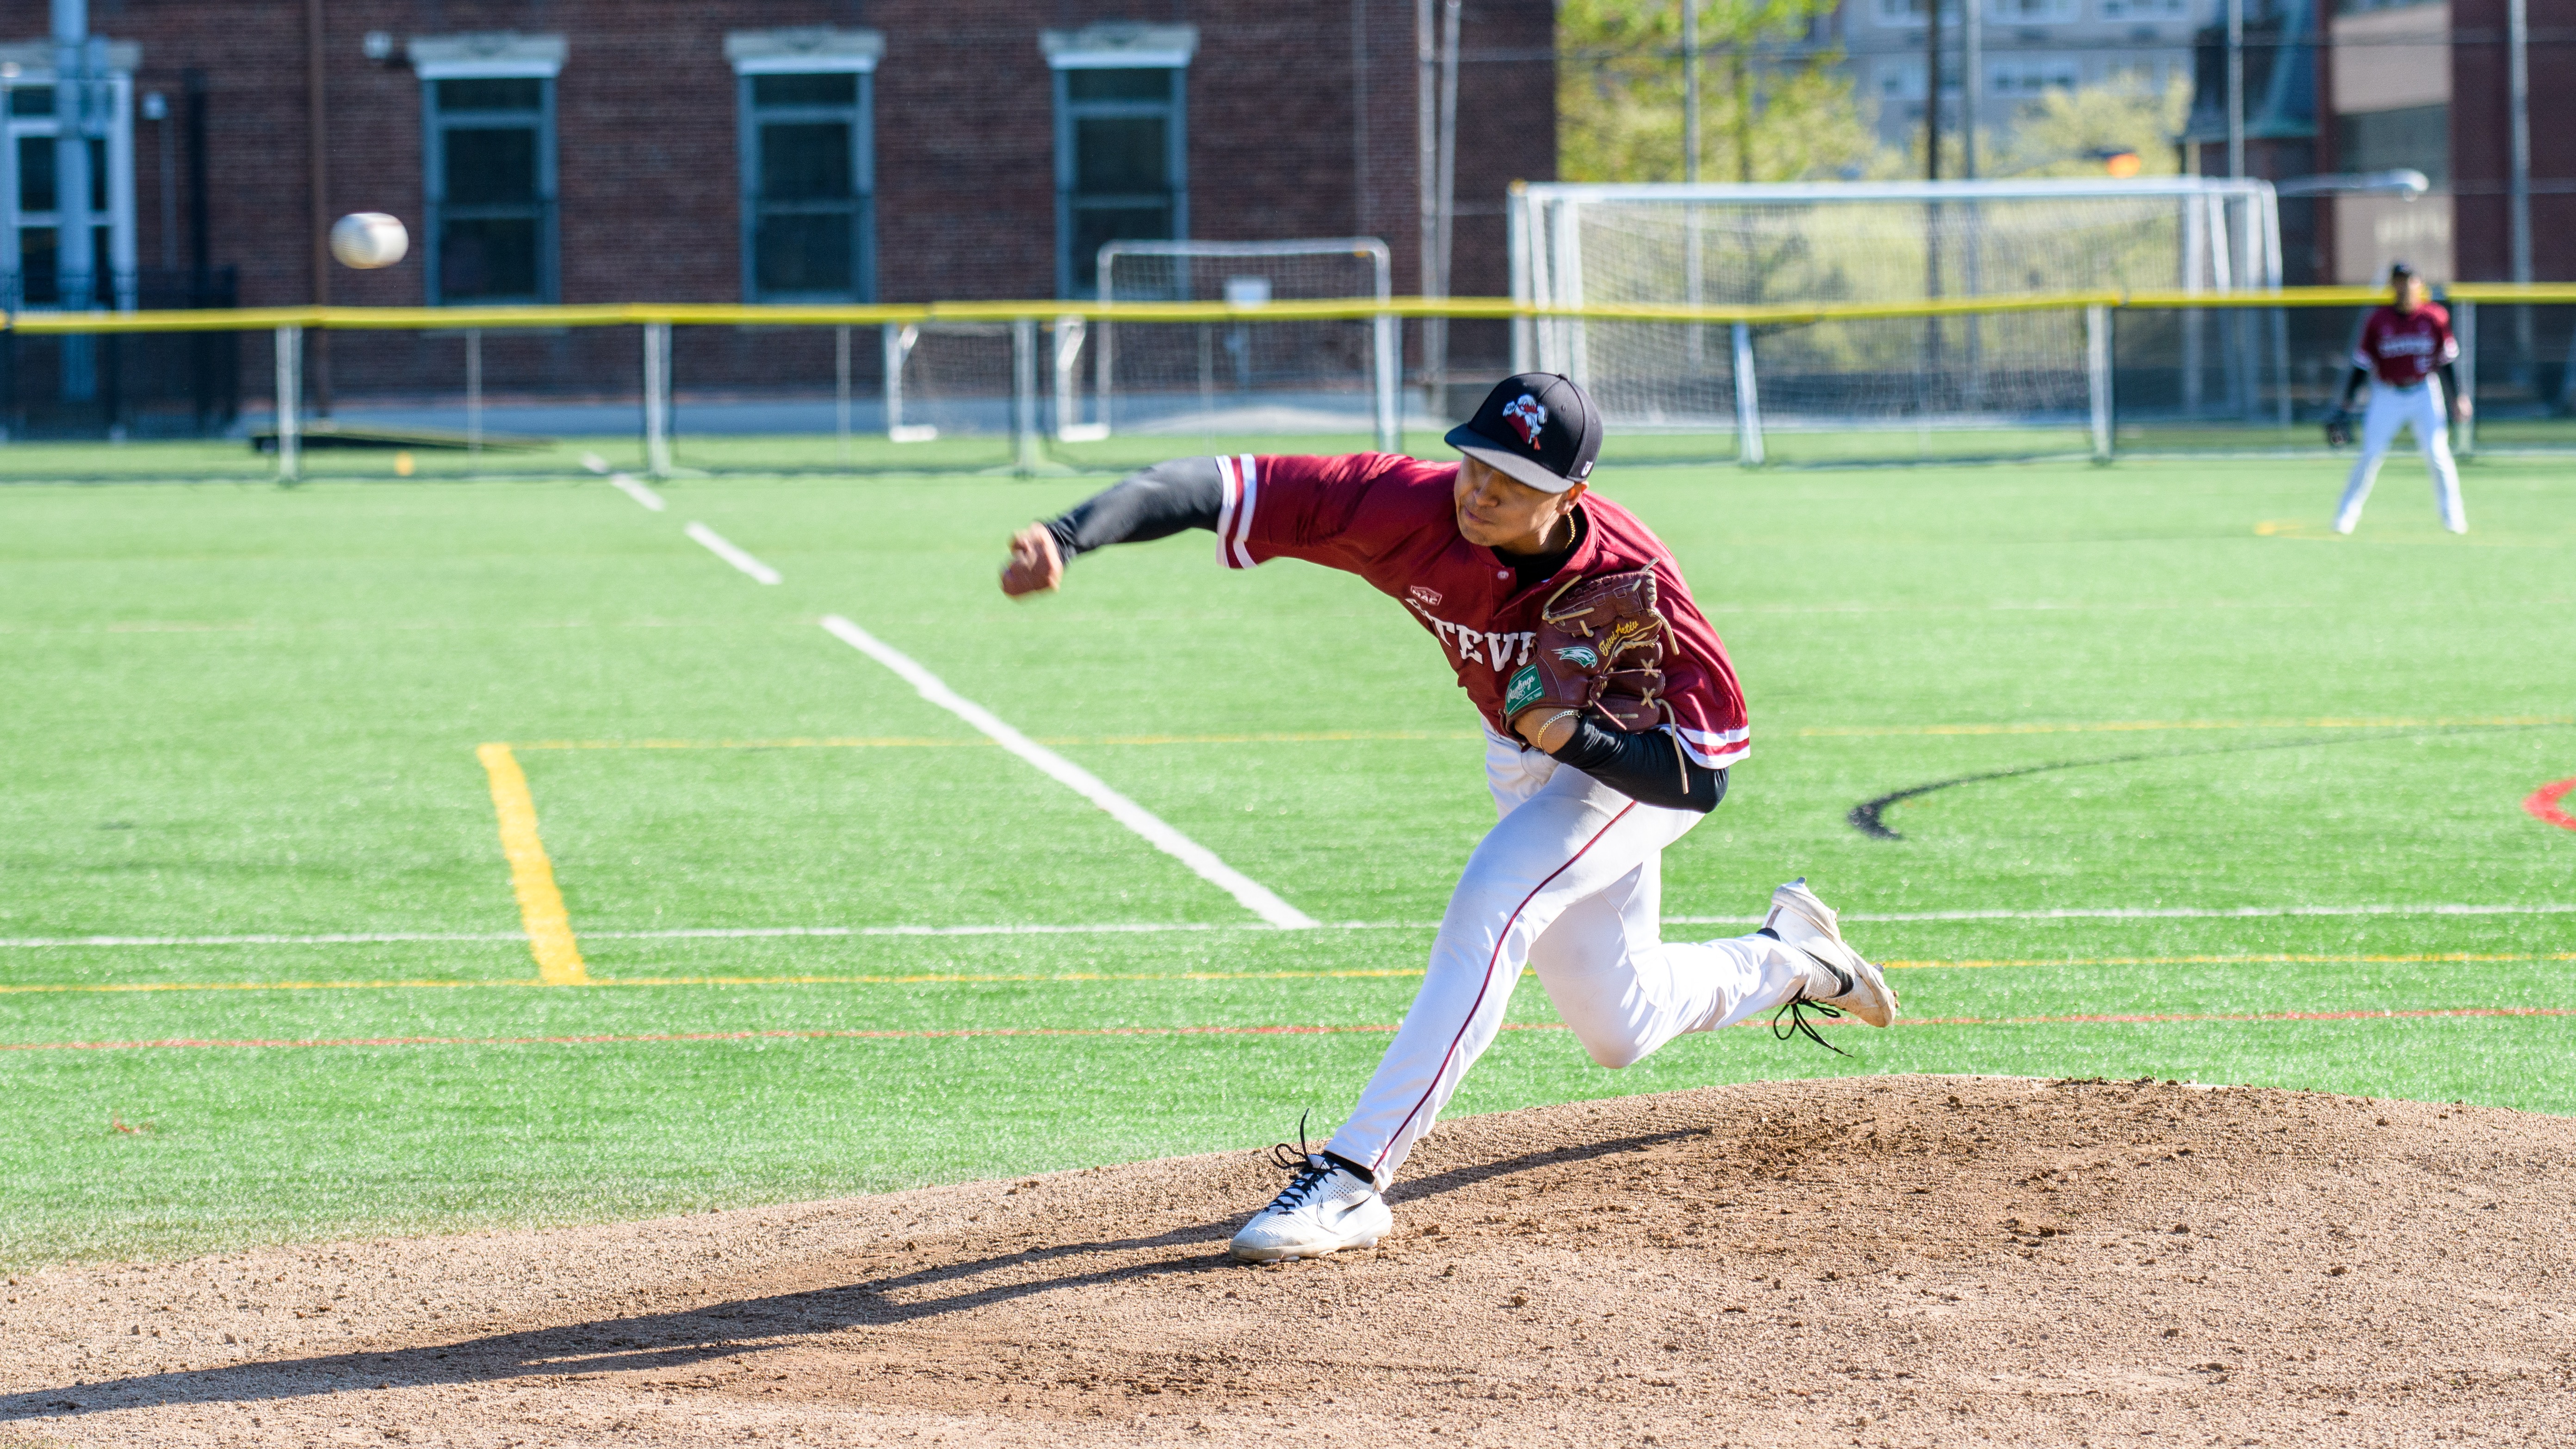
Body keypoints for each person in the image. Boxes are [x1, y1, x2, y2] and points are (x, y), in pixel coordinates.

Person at [997, 373, 1898, 1263]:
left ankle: (1351, 1178)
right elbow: (1208, 486)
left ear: (1571, 496)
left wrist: (1577, 738)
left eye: (1514, 485)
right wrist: (1068, 538)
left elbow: (1702, 779)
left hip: (1630, 768)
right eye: (1476, 465)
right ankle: (1795, 959)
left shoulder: (1634, 579)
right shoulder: (1403, 505)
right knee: (1620, 1026)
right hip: (1521, 757)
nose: (1482, 493)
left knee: (1493, 905)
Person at [2331, 262, 2470, 535]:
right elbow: (2362, 364)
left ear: (2419, 284)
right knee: (2370, 455)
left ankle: (2453, 515)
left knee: (2438, 455)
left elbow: (2447, 361)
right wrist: (2348, 401)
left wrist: (2458, 397)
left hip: (2424, 391)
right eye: (2399, 281)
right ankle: (2346, 515)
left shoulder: (2435, 317)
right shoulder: (2378, 320)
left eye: (2409, 280)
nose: (2405, 286)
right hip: (2387, 394)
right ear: (2392, 285)